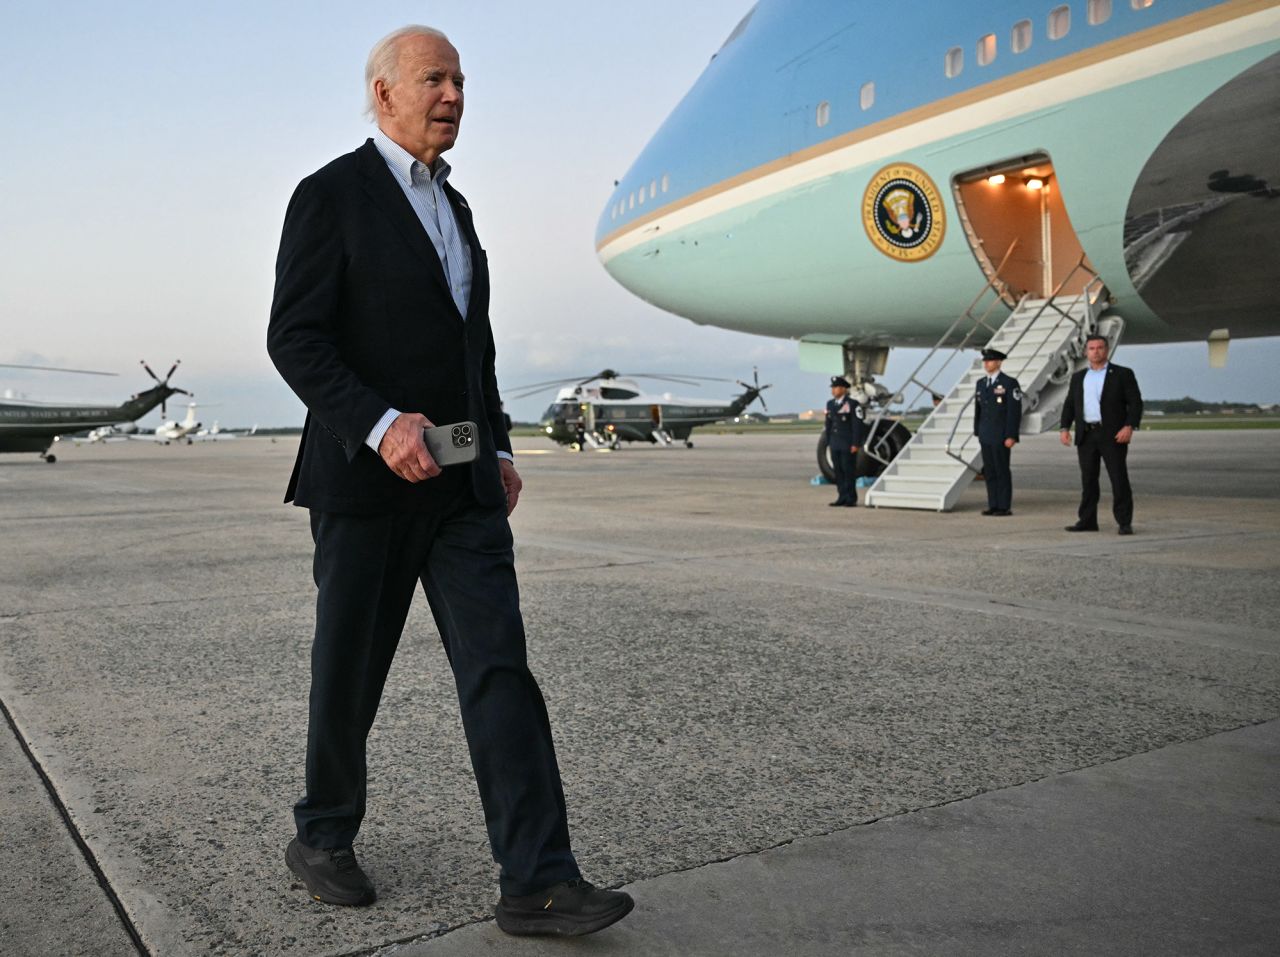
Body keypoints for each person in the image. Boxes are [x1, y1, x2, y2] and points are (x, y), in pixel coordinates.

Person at [265, 25, 633, 937]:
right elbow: (295, 338)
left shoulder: (456, 211)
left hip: (462, 492)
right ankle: (322, 832)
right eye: (435, 79)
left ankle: (538, 877)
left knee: (501, 669)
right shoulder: (331, 196)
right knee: (350, 671)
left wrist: (499, 444)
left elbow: (476, 347)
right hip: (365, 487)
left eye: (461, 81)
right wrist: (381, 424)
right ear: (384, 93)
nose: (454, 95)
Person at [1060, 334, 1144, 535]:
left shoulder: (1122, 374)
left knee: (1118, 478)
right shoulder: (1079, 377)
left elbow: (1135, 402)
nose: (1095, 351)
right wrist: (1064, 428)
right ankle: (1087, 521)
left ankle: (1124, 522)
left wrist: (1129, 426)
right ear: (1085, 352)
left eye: (1099, 348)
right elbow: (1070, 404)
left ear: (1106, 350)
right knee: (1088, 480)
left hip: (1112, 435)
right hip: (1086, 435)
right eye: (1091, 348)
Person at [973, 348, 1021, 516]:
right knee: (990, 471)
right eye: (985, 361)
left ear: (999, 362)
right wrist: (977, 431)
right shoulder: (980, 383)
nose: (986, 363)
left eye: (990, 360)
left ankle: (1003, 506)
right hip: (986, 434)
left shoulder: (1009, 383)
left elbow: (1013, 412)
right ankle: (993, 504)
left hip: (1001, 436)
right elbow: (978, 410)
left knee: (1002, 470)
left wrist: (1011, 435)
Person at [823, 376, 869, 507]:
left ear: (843, 389)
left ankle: (851, 498)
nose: (833, 390)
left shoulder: (852, 404)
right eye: (832, 388)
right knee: (838, 471)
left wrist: (855, 443)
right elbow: (829, 424)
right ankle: (841, 496)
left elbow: (857, 425)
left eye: (836, 387)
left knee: (848, 471)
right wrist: (828, 442)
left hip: (847, 444)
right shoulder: (830, 404)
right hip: (835, 443)